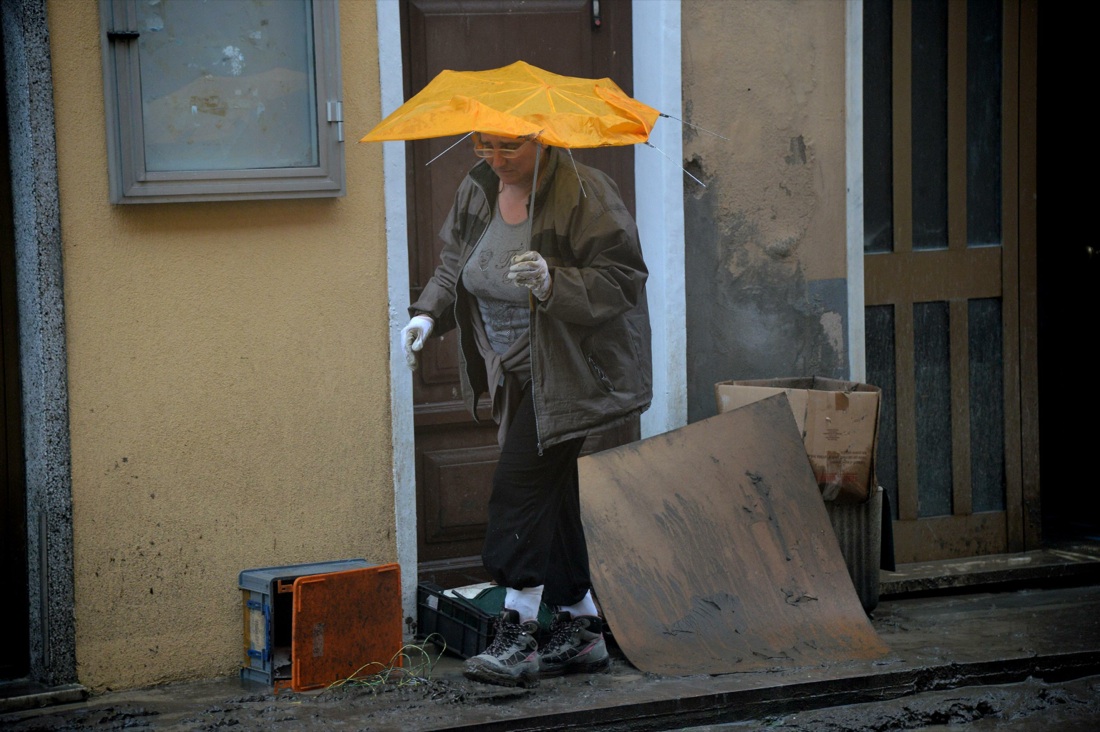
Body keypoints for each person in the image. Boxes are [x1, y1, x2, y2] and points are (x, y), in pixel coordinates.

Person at [400, 132, 652, 688]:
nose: (495, 159)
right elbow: (453, 266)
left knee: (518, 490)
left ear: (543, 140)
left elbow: (622, 279)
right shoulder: (478, 189)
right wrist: (426, 315)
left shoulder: (585, 191)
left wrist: (551, 280)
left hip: (570, 373)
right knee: (552, 496)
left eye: (508, 147)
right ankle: (583, 632)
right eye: (484, 145)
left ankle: (517, 632)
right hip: (510, 370)